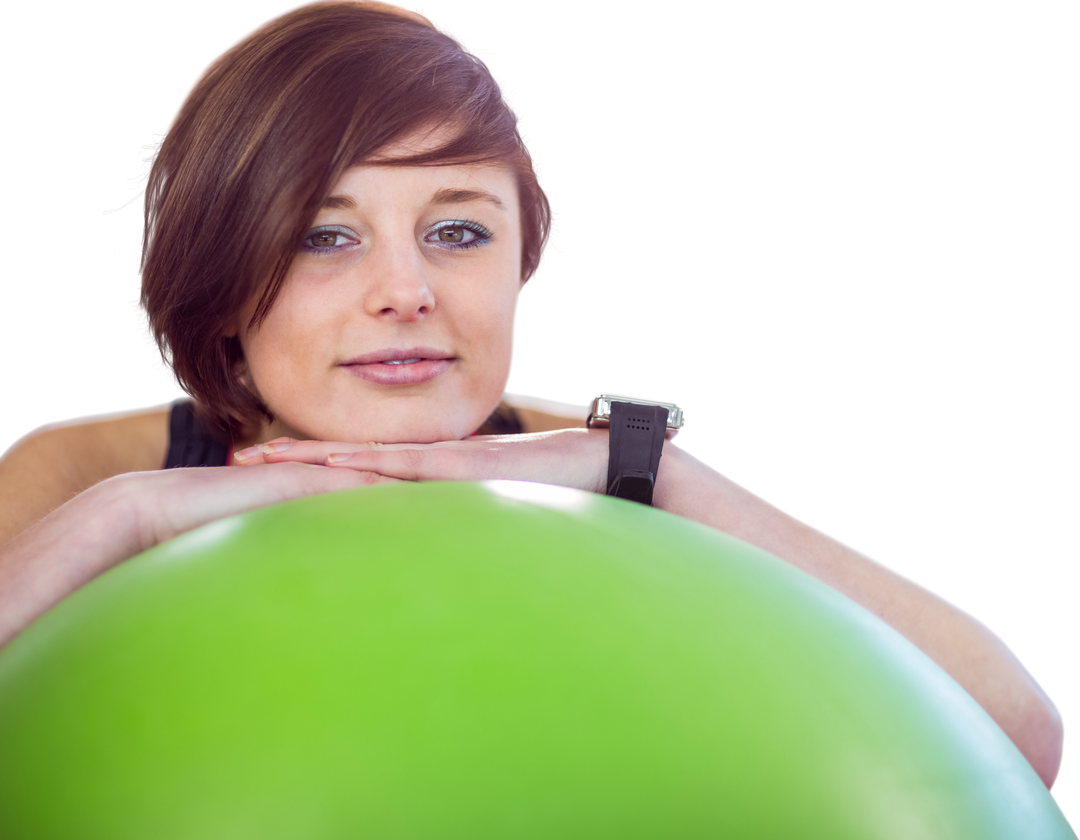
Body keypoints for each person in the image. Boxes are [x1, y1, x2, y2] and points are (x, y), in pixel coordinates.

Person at [0, 0, 1066, 795]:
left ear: (523, 262)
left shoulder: (610, 465)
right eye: (326, 235)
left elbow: (1016, 742)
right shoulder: (87, 472)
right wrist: (127, 516)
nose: (406, 293)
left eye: (458, 229)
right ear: (223, 278)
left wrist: (660, 474)